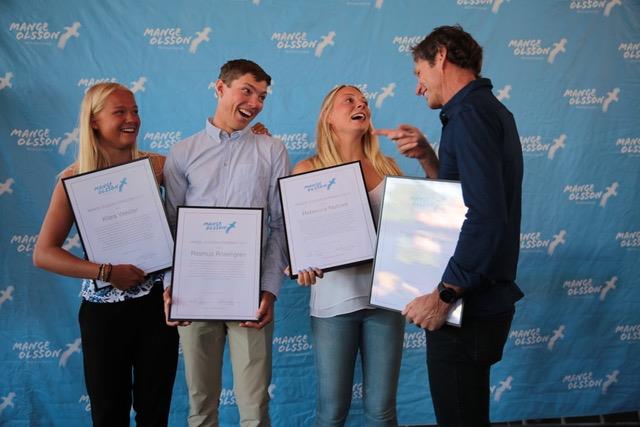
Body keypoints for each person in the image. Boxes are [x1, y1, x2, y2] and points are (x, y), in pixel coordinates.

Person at [376, 25, 525, 426]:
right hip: (475, 302)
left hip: (467, 306)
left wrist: (443, 295)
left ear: (440, 56)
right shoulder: (475, 111)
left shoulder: (472, 114)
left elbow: (486, 215)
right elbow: (461, 202)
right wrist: (428, 157)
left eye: (418, 73)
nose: (418, 87)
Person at [32, 82, 179, 426]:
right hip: (103, 315)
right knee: (108, 414)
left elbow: (209, 171)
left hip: (157, 308)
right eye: (120, 112)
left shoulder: (157, 166)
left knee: (154, 413)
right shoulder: (73, 179)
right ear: (94, 121)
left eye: (135, 111)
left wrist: (250, 137)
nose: (132, 119)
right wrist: (106, 272)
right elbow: (44, 253)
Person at [291, 85, 437, 427]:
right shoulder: (307, 170)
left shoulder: (388, 168)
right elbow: (295, 243)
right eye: (350, 100)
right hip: (333, 306)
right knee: (331, 412)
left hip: (386, 305)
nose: (362, 105)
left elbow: (416, 230)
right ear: (329, 117)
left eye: (365, 103)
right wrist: (299, 265)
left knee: (382, 410)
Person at [162, 59, 290, 427]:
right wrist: (171, 286)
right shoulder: (182, 152)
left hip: (249, 294)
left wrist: (269, 289)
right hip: (193, 293)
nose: (255, 102)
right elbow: (172, 226)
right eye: (246, 91)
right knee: (200, 407)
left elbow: (279, 225)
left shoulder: (272, 150)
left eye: (262, 96)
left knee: (254, 408)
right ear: (220, 88)